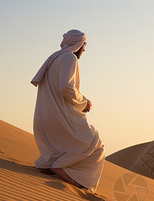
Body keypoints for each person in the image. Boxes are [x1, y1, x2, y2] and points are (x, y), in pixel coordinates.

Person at [31, 29, 105, 192]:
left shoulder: (54, 58)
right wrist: (84, 102)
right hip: (59, 118)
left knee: (77, 145)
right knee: (95, 143)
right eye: (84, 44)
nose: (84, 49)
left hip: (45, 118)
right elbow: (65, 86)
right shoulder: (69, 58)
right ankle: (64, 171)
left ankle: (55, 166)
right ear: (79, 44)